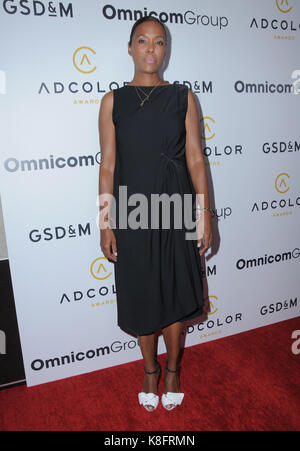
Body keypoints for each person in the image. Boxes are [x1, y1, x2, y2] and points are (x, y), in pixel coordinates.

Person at [98, 16, 213, 412]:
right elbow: (108, 165)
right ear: (130, 48)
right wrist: (105, 219)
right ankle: (149, 369)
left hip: (178, 207)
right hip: (132, 211)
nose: (151, 48)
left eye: (159, 42)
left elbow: (196, 158)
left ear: (167, 49)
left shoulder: (183, 96)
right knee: (142, 294)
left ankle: (174, 369)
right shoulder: (113, 101)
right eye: (142, 41)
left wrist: (205, 213)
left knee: (177, 292)